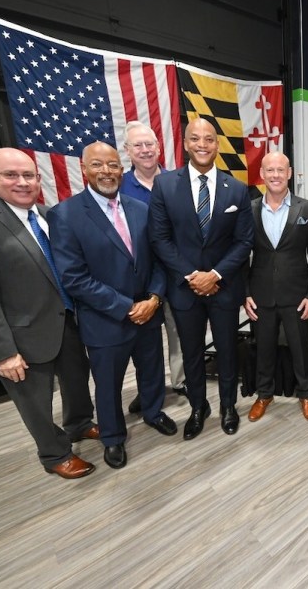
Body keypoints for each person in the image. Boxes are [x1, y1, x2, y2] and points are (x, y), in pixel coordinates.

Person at [0, 147, 98, 479]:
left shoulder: (48, 215)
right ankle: (55, 453)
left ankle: (79, 423)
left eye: (28, 175)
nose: (22, 182)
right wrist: (2, 351)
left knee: (77, 383)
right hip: (22, 337)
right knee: (35, 402)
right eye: (11, 175)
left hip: (67, 323)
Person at [48, 141, 176, 470]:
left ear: (122, 169)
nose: (106, 171)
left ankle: (152, 411)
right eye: (97, 165)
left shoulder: (141, 209)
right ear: (84, 169)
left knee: (152, 372)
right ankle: (113, 438)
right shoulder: (65, 215)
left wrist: (153, 298)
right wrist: (125, 307)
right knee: (108, 385)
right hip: (105, 320)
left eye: (113, 165)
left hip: (148, 311)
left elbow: (159, 261)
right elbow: (74, 278)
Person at [149, 117, 254, 440]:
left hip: (223, 288)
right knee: (192, 352)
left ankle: (227, 406)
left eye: (209, 139)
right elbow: (159, 238)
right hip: (184, 288)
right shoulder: (165, 185)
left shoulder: (236, 188)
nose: (203, 145)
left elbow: (244, 241)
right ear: (185, 143)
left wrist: (216, 274)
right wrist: (192, 275)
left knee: (226, 350)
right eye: (196, 139)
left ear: (217, 145)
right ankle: (198, 407)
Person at [245, 152, 308, 422]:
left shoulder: (307, 208)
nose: (276, 175)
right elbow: (242, 254)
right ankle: (264, 394)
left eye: (281, 170)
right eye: (270, 170)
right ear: (263, 174)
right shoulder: (251, 209)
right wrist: (245, 293)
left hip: (297, 295)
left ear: (289, 173)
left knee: (301, 349)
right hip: (261, 295)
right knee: (264, 348)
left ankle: (306, 395)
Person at [118, 121, 187, 415]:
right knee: (144, 342)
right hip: (137, 278)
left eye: (150, 144)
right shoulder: (117, 185)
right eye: (138, 145)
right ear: (127, 151)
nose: (145, 151)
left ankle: (183, 382)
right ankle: (150, 389)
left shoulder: (178, 181)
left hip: (175, 272)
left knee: (179, 332)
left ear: (159, 148)